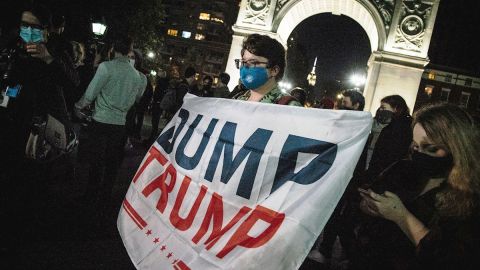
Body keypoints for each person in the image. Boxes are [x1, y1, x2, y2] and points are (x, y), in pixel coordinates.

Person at [356, 103, 480, 269]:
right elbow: (370, 195)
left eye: (432, 148)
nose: (420, 154)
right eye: (416, 145)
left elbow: (453, 259)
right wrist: (368, 205)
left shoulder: (471, 196)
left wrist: (401, 216)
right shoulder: (404, 168)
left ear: (458, 148)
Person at [74, 35, 147, 209]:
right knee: (112, 162)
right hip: (120, 124)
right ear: (129, 50)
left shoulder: (106, 68)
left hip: (101, 120)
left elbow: (90, 94)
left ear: (113, 49)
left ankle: (90, 195)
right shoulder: (139, 77)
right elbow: (137, 98)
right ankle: (105, 196)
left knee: (97, 160)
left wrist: (78, 106)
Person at [234, 34, 301, 106]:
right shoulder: (237, 99)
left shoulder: (289, 106)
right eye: (243, 62)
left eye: (253, 62)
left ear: (274, 70)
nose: (245, 67)